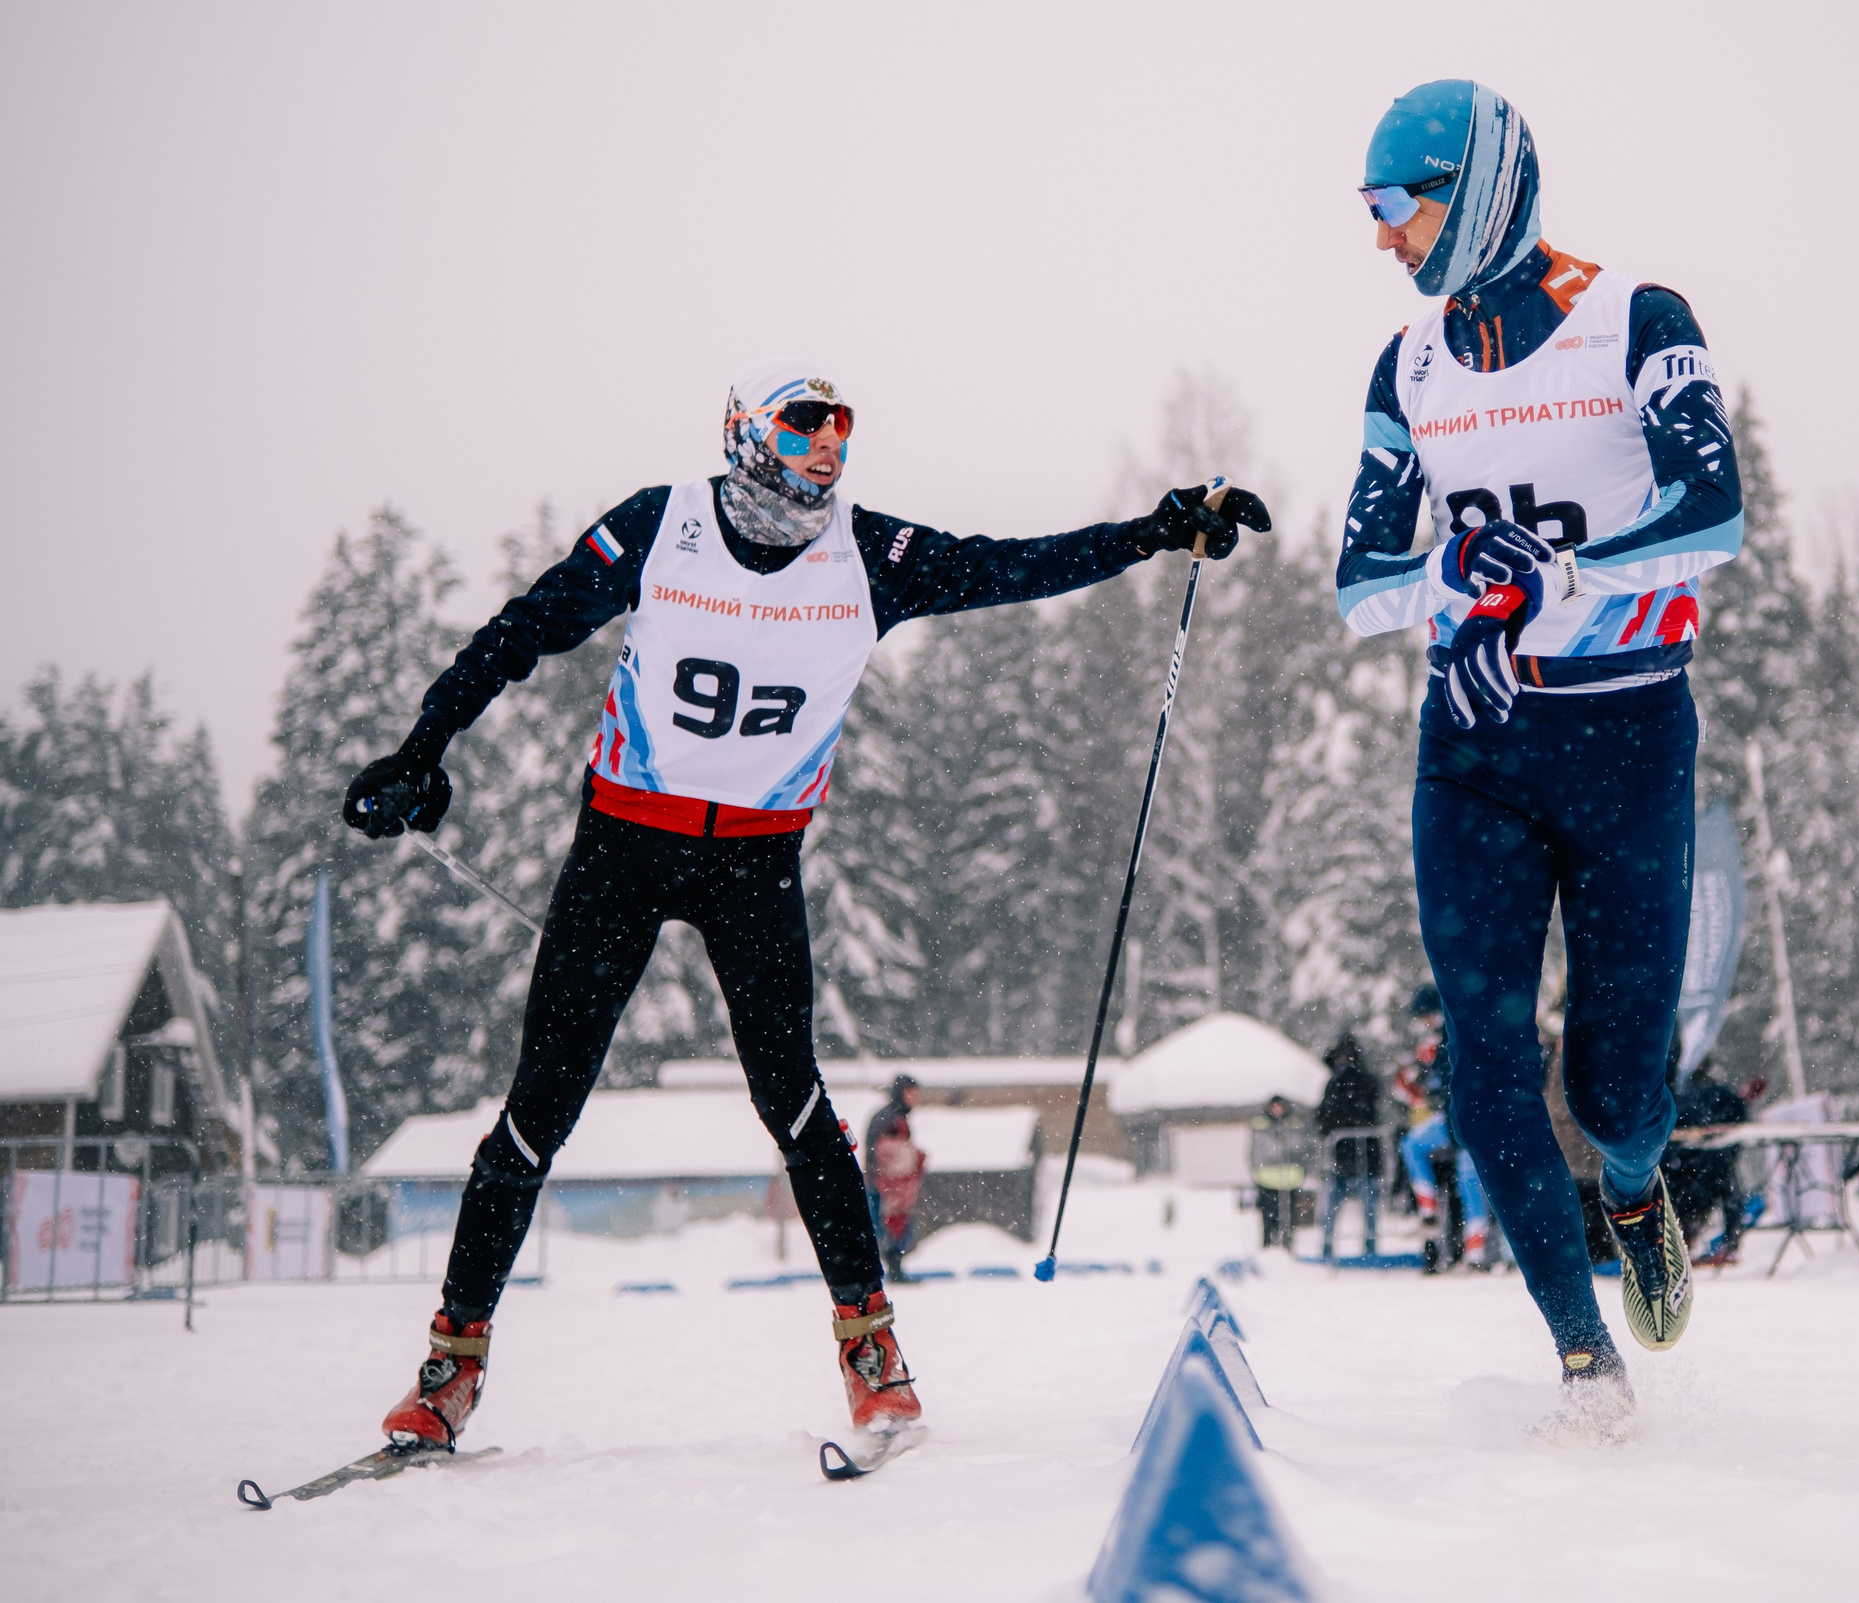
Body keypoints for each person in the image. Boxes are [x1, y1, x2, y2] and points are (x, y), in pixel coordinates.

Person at [340, 357, 1270, 1465]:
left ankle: (873, 1354)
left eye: (840, 427)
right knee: (539, 1109)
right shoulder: (661, 525)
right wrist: (422, 747)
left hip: (753, 861)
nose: (827, 444)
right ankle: (450, 1366)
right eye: (802, 424)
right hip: (624, 846)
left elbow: (1013, 565)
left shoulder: (867, 556)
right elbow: (523, 629)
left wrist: (1157, 531)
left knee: (797, 1106)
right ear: (746, 431)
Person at [1335, 81, 1744, 1437]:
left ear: (1478, 190)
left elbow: (1713, 515)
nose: (1384, 235)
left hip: (1629, 737)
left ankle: (1633, 1189)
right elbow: (1359, 585)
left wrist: (1559, 570)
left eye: (1398, 204)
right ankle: (1585, 1358)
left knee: (1616, 1089)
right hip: (1478, 742)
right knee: (1484, 1054)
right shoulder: (1408, 366)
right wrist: (1455, 567)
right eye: (1371, 210)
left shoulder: (1638, 319)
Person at [1393, 986, 1489, 1270]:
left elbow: (1455, 1079)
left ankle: (1475, 1253)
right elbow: (1440, 1082)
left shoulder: (1454, 1032)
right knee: (1414, 1147)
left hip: (1469, 1123)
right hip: (1452, 1120)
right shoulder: (1443, 1037)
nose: (1423, 1024)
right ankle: (1429, 1212)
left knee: (1469, 1185)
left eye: (1425, 1017)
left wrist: (1435, 1085)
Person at [1663, 1055, 1752, 1266]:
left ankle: (1721, 1245)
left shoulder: (1679, 1098)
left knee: (1674, 1197)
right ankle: (1729, 1245)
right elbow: (1739, 1122)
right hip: (1704, 1165)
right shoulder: (1718, 1095)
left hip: (1684, 1167)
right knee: (1729, 1190)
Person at [1313, 1032, 1385, 1262]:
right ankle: (1328, 1246)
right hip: (1343, 1156)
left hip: (1361, 1155)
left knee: (1367, 1206)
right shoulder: (1334, 1083)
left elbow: (1328, 1117)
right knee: (1335, 1205)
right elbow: (1324, 1117)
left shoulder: (1357, 1082)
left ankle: (1369, 1248)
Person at [865, 1075, 927, 1283]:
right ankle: (892, 1269)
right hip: (887, 1185)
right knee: (889, 1225)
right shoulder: (890, 1119)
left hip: (889, 1184)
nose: (914, 1098)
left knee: (891, 1225)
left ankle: (892, 1268)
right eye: (910, 1093)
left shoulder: (891, 1116)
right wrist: (911, 1160)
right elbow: (885, 1151)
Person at [1249, 1095, 1311, 1251]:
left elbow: (1301, 1150)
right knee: (1268, 1217)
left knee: (1288, 1217)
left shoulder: (1293, 1125)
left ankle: (1286, 1245)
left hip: (1289, 1179)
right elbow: (1258, 1152)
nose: (1276, 1109)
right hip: (1267, 1180)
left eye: (1279, 1106)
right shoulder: (1262, 1125)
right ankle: (1268, 1245)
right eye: (1274, 1106)